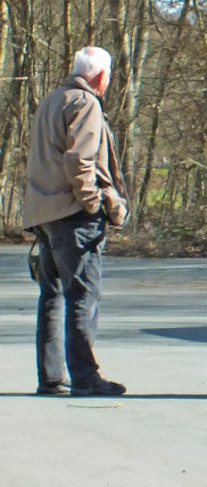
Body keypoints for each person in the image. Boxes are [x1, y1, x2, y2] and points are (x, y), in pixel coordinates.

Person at [23, 46, 129, 396]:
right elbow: (80, 162)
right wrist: (94, 204)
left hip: (44, 214)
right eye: (108, 77)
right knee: (83, 295)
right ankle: (85, 376)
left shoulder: (52, 100)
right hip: (72, 214)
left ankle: (52, 378)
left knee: (52, 296)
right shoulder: (85, 104)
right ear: (101, 77)